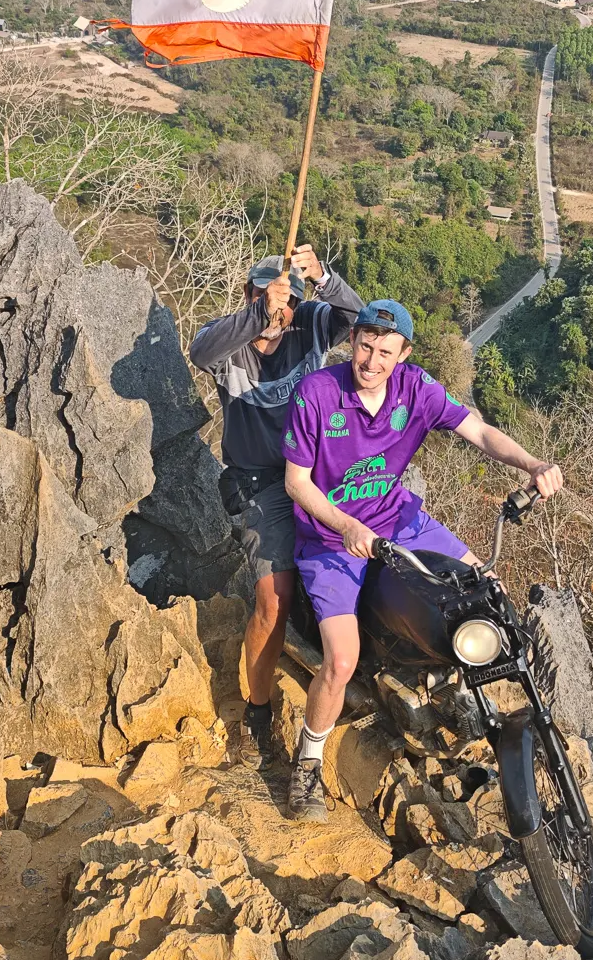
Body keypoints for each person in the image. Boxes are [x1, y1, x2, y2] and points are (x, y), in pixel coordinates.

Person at [282, 298, 563, 821]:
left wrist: (532, 462)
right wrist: (345, 525)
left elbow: (477, 430)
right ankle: (307, 760)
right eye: (365, 345)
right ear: (352, 342)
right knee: (341, 661)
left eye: (385, 351)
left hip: (401, 520)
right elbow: (296, 482)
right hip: (329, 539)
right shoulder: (318, 393)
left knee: (487, 593)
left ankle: (477, 705)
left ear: (403, 354)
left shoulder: (417, 388)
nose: (371, 360)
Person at [190, 245, 362, 767]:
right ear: (248, 296)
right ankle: (257, 712)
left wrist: (323, 278)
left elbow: (362, 322)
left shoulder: (309, 323)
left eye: (284, 301)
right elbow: (199, 352)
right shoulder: (232, 343)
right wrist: (258, 315)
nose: (277, 311)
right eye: (264, 297)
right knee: (274, 598)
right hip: (261, 483)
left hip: (319, 473)